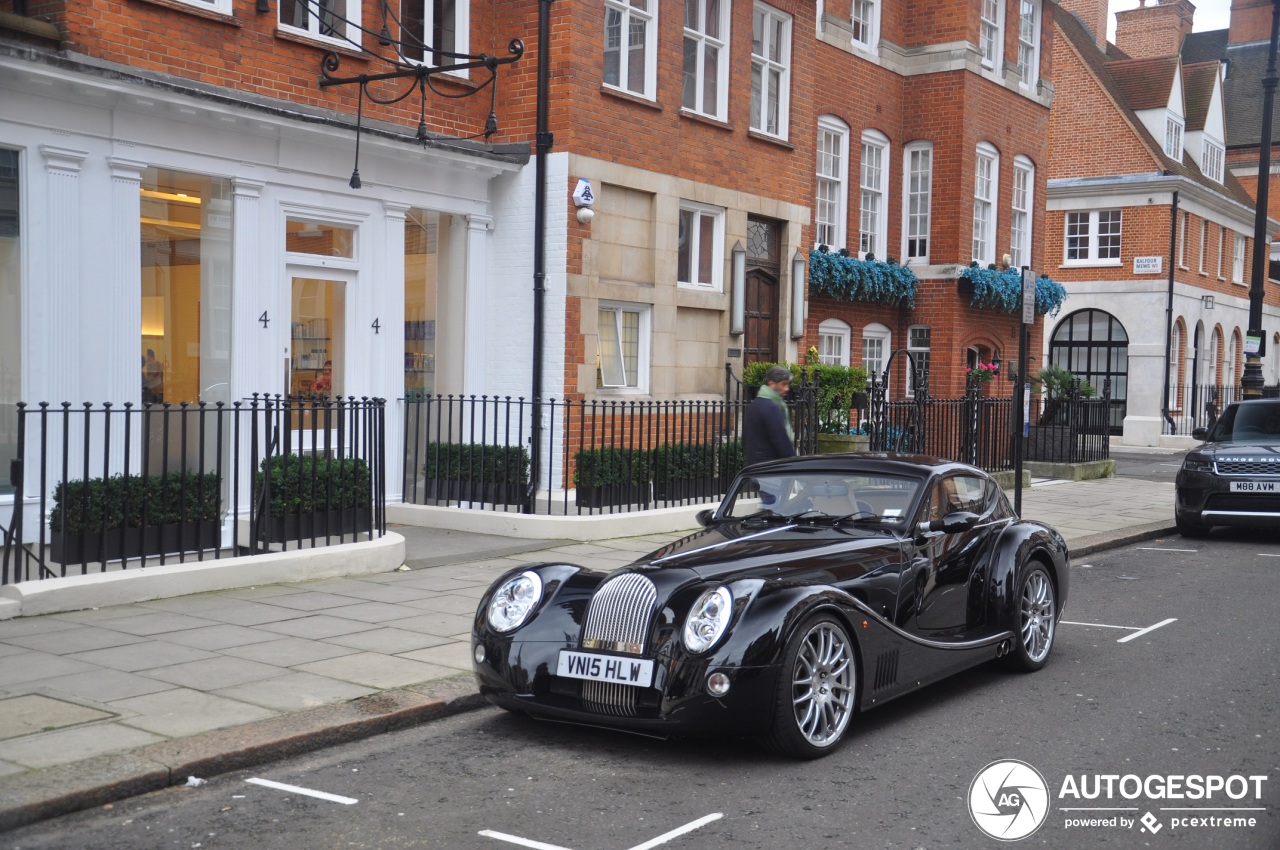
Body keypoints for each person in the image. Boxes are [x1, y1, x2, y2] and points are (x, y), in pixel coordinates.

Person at [744, 366, 797, 466]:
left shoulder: (755, 404)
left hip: (755, 466)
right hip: (772, 469)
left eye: (788, 384)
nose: (787, 388)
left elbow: (745, 439)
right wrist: (794, 464)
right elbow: (781, 442)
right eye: (783, 384)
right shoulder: (771, 407)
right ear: (772, 384)